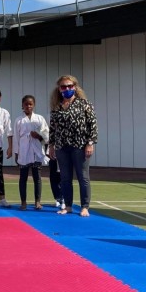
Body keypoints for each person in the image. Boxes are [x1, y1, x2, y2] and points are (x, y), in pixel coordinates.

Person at [48, 75, 98, 217]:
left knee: (83, 176)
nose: (67, 89)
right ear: (59, 89)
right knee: (65, 177)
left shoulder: (84, 104)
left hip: (80, 146)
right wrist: (51, 145)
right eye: (64, 87)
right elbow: (53, 128)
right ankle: (68, 206)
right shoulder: (56, 108)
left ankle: (84, 207)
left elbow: (92, 125)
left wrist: (90, 143)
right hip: (62, 147)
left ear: (75, 87)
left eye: (70, 86)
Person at [13, 95, 49, 211]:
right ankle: (23, 202)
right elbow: (16, 138)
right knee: (23, 178)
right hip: (23, 150)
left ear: (34, 105)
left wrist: (38, 136)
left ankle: (37, 202)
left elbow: (47, 134)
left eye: (30, 104)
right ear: (22, 105)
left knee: (37, 178)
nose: (28, 106)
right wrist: (16, 153)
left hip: (36, 150)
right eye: (26, 104)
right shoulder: (18, 120)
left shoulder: (39, 118)